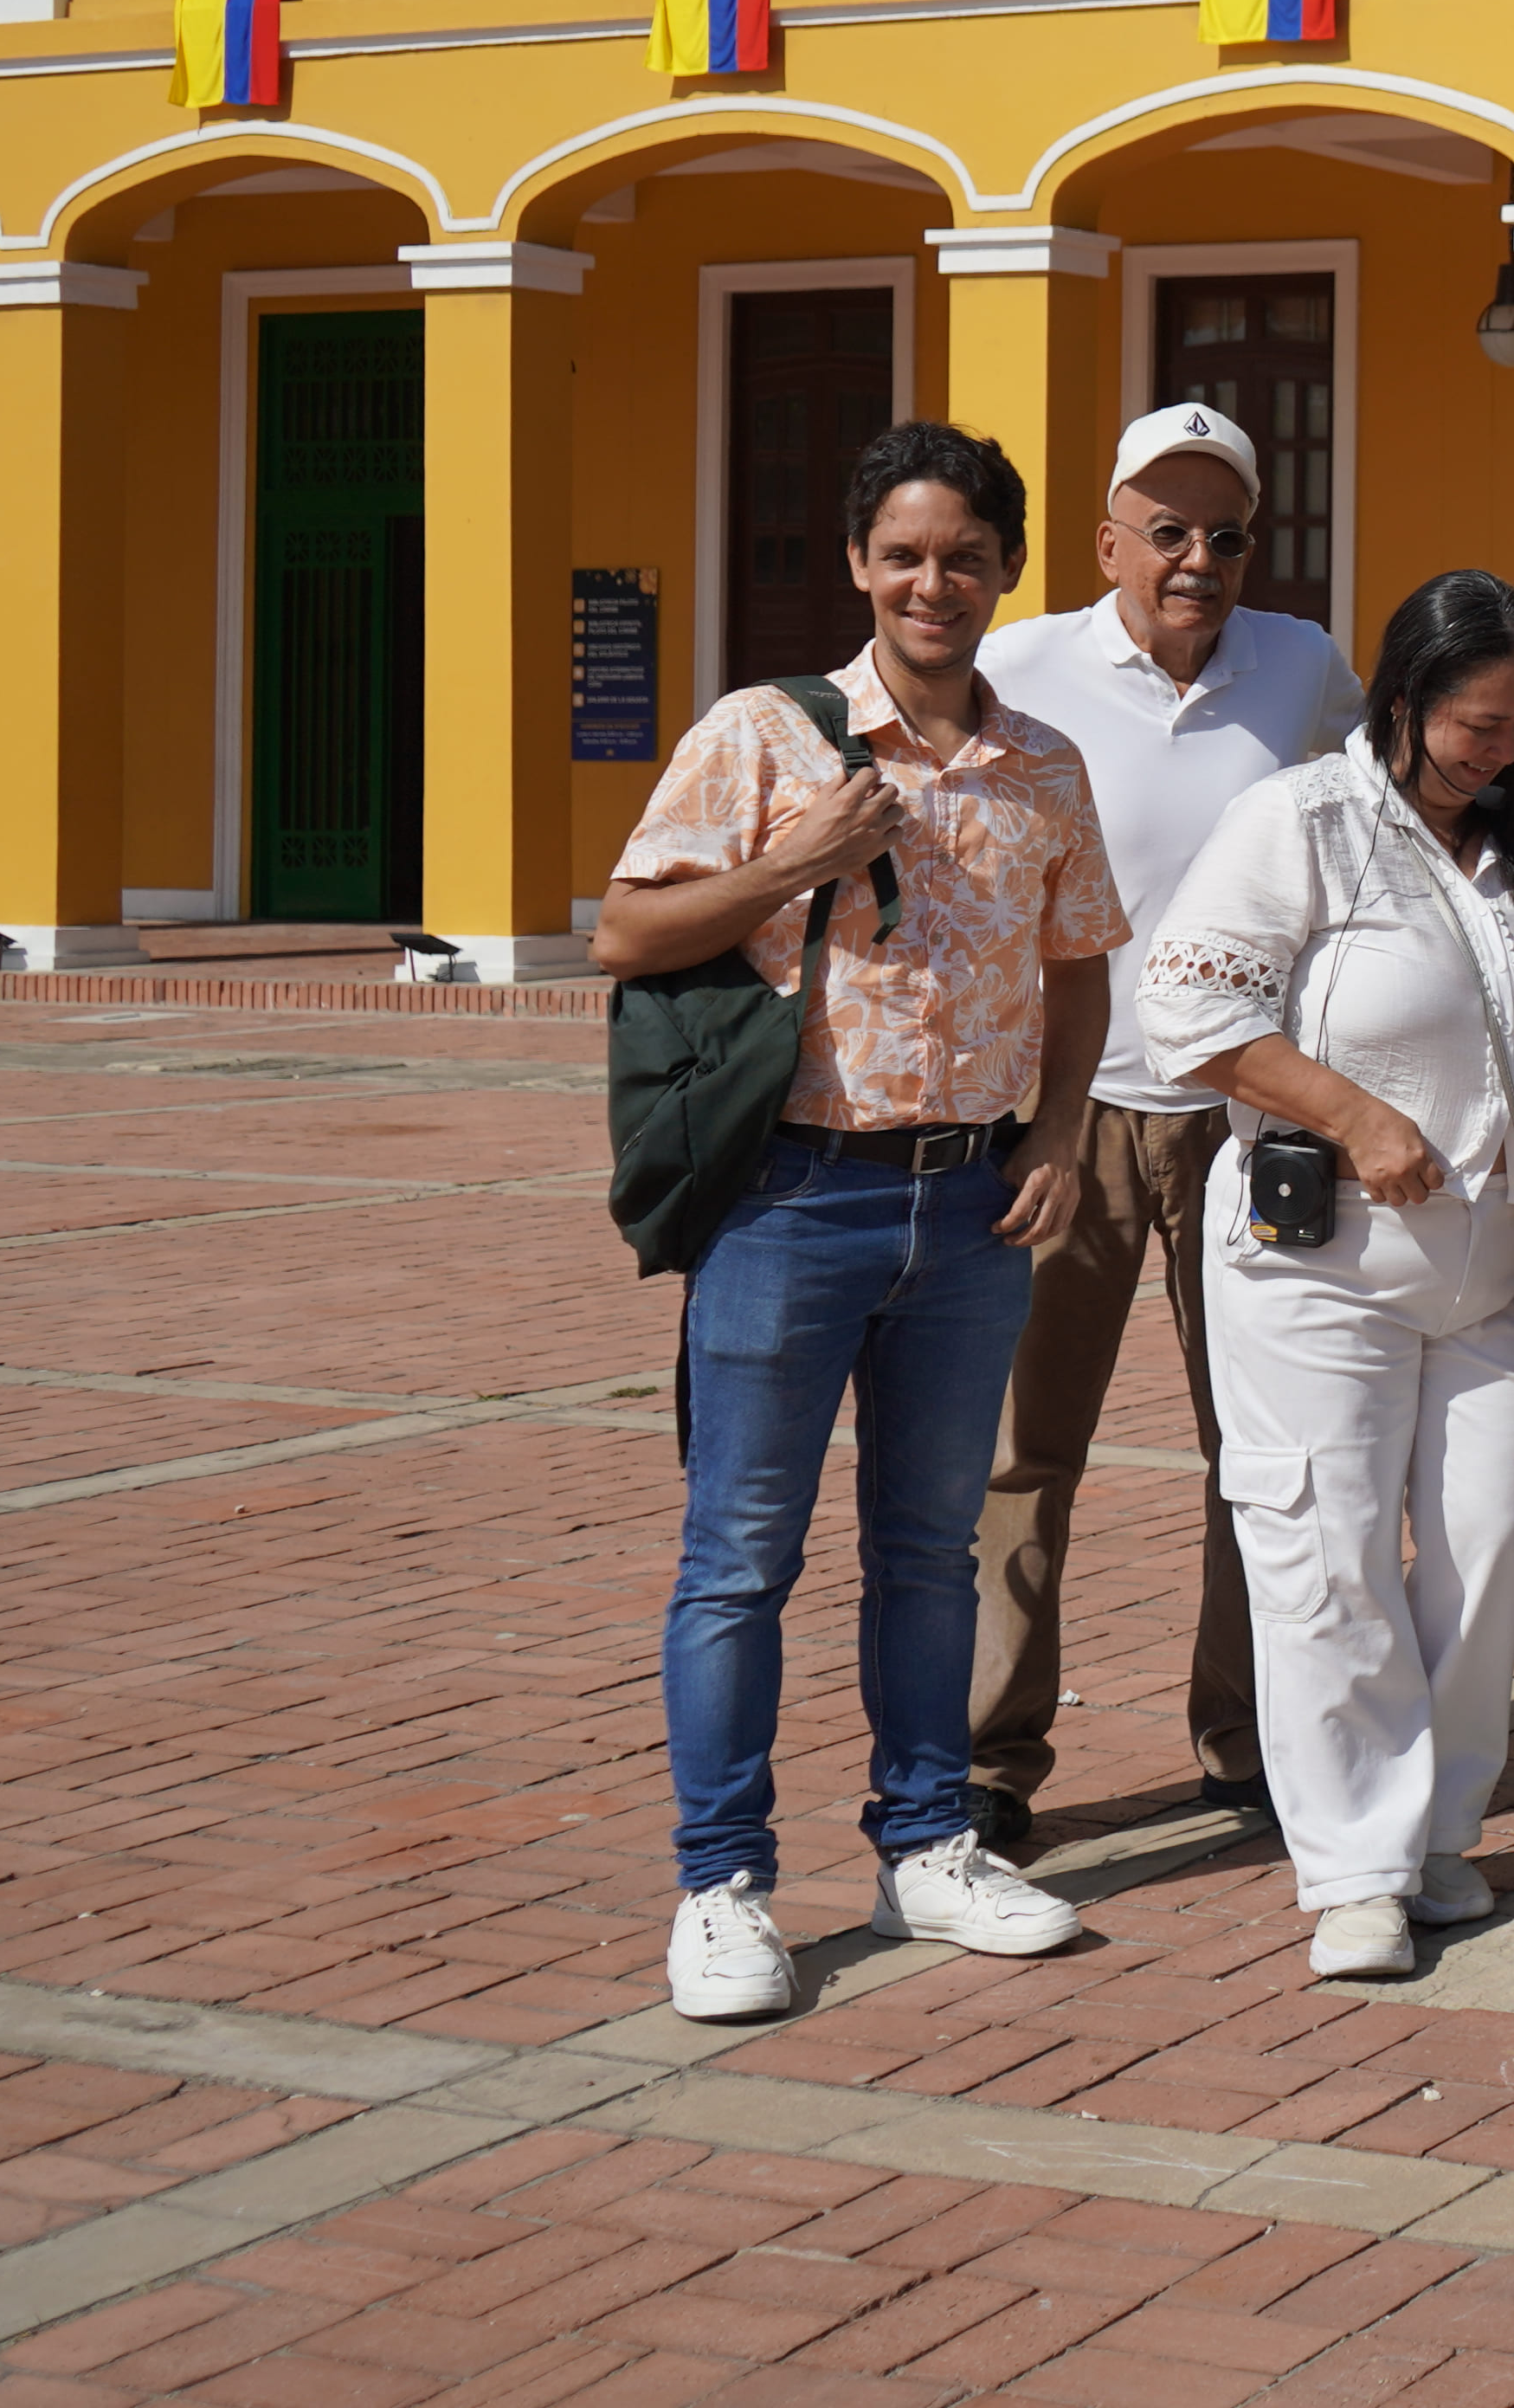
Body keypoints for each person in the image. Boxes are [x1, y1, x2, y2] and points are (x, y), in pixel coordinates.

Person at [601, 418, 1124, 2024]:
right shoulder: (765, 737)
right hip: (792, 1200)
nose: (931, 583)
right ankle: (722, 1884)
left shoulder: (1043, 766)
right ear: (857, 564)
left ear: (1008, 570)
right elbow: (626, 931)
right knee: (740, 1557)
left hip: (969, 1205)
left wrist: (1057, 1131)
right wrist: (801, 860)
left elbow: (1079, 967)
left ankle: (928, 1843)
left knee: (928, 1552)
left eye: (963, 557)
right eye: (903, 555)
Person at [1143, 571, 1514, 1977]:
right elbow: (1188, 1008)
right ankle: (1355, 1874)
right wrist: (1356, 1116)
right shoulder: (1301, 822)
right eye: (1482, 723)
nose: (1504, 749)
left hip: (1497, 1266)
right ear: (1409, 699)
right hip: (1322, 1267)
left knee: (1489, 1541)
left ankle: (1435, 1833)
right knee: (1330, 1554)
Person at [963, 402, 1367, 1856]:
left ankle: (1247, 1738)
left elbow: (1370, 836)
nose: (1199, 560)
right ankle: (989, 1758)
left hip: (1248, 1120)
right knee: (1024, 1450)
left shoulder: (1305, 668)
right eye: (1169, 532)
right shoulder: (1019, 667)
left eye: (1228, 536)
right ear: (1107, 544)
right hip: (1061, 1113)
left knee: (1258, 1447)